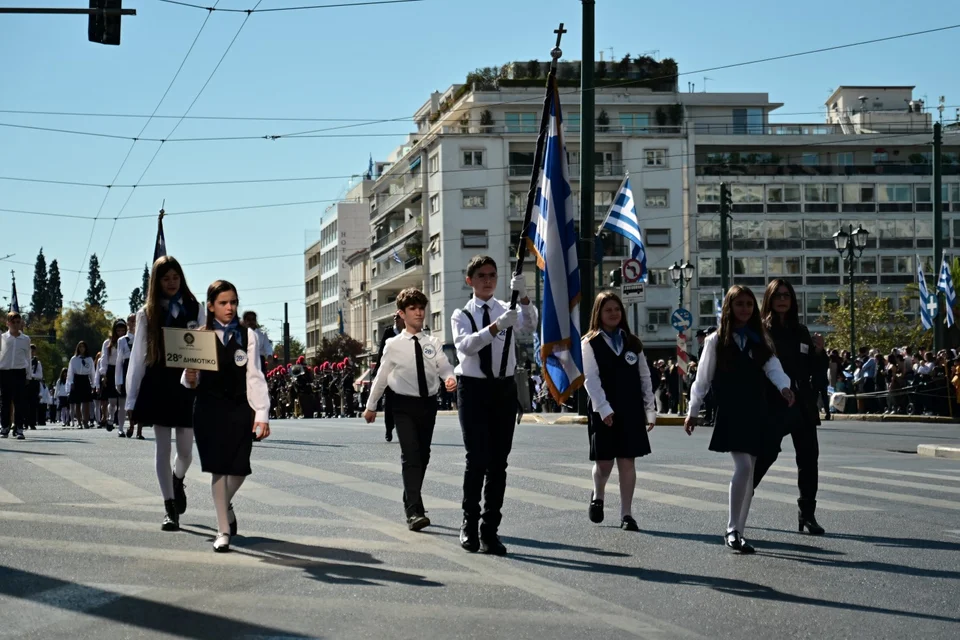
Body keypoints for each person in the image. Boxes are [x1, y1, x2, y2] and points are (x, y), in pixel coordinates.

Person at [685, 285, 795, 554]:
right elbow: (702, 379)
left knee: (751, 470)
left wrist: (784, 386)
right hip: (732, 410)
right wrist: (693, 410)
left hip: (757, 409)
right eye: (739, 304)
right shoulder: (716, 340)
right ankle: (732, 529)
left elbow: (773, 367)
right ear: (729, 308)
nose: (745, 309)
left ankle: (739, 531)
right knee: (744, 467)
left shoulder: (760, 338)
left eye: (749, 304)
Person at [451, 255, 536, 555]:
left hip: (503, 388)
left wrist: (524, 296)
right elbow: (466, 346)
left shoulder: (507, 306)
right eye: (481, 275)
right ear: (470, 280)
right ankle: (468, 524)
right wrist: (497, 327)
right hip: (473, 389)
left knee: (499, 462)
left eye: (492, 275)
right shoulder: (461, 313)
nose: (488, 280)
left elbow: (529, 325)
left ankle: (490, 529)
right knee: (476, 459)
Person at [183, 281, 271, 553]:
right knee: (218, 469)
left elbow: (255, 376)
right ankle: (223, 530)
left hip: (239, 408)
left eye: (233, 302)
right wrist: (190, 376)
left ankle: (224, 503)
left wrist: (262, 414)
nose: (230, 307)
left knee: (240, 468)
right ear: (210, 306)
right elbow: (187, 380)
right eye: (223, 303)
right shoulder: (199, 336)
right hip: (208, 409)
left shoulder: (248, 336)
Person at [364, 288, 456, 531]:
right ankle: (414, 511)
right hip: (402, 405)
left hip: (428, 404)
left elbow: (444, 366)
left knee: (423, 456)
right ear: (402, 314)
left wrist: (449, 378)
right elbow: (381, 376)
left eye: (421, 308)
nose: (418, 313)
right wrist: (371, 406)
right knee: (411, 455)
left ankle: (411, 498)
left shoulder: (432, 342)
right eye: (413, 309)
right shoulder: (393, 344)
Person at [127, 256, 204, 532]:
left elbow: (204, 350)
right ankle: (169, 508)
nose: (171, 283)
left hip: (187, 383)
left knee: (186, 452)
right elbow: (137, 358)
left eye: (175, 277)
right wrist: (131, 398)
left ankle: (177, 479)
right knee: (163, 447)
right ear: (157, 282)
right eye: (165, 278)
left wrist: (199, 378)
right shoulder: (146, 313)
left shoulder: (196, 308)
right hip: (158, 380)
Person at [751, 279, 826, 536]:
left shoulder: (801, 331)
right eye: (778, 295)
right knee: (766, 454)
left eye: (787, 295)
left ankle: (807, 514)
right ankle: (741, 500)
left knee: (808, 458)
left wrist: (819, 353)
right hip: (774, 403)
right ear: (769, 299)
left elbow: (815, 373)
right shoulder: (761, 331)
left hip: (802, 404)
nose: (783, 299)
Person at [581, 292, 656, 532]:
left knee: (627, 461)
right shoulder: (589, 343)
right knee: (604, 464)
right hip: (602, 408)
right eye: (608, 310)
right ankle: (598, 495)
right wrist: (603, 408)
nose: (613, 313)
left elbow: (644, 376)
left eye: (616, 309)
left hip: (630, 408)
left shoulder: (633, 342)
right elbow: (590, 380)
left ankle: (627, 514)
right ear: (599, 314)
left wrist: (649, 409)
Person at [0, 312, 33, 439]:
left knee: (19, 401)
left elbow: (28, 358)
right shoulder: (3, 338)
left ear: (21, 324)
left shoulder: (25, 339)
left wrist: (28, 375)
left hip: (19, 372)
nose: (15, 324)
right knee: (5, 401)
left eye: (18, 322)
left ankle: (19, 428)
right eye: (13, 322)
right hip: (5, 371)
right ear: (8, 323)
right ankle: (4, 427)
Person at [377, 311, 403, 442]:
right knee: (390, 403)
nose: (395, 319)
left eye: (398, 317)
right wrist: (378, 370)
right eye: (394, 317)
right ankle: (388, 429)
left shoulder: (408, 333)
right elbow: (381, 351)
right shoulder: (389, 332)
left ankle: (402, 429)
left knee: (403, 403)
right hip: (390, 373)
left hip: (404, 374)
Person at [115, 313, 139, 438]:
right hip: (126, 366)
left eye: (135, 321)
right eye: (130, 321)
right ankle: (120, 428)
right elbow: (119, 361)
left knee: (138, 398)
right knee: (123, 400)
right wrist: (118, 381)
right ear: (127, 323)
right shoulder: (122, 340)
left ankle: (137, 427)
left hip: (138, 366)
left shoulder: (142, 338)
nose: (133, 323)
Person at [67, 341, 96, 429]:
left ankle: (85, 421)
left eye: (83, 347)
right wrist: (71, 382)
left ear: (86, 348)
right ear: (78, 348)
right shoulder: (74, 359)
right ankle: (79, 422)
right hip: (76, 379)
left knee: (86, 402)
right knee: (77, 402)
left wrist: (93, 384)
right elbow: (70, 371)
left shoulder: (89, 359)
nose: (81, 348)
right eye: (80, 347)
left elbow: (92, 372)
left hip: (85, 379)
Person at [26, 344, 43, 430]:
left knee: (33, 404)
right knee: (25, 403)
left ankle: (32, 423)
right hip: (26, 383)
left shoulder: (37, 362)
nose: (31, 352)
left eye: (33, 351)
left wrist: (32, 375)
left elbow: (40, 375)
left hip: (34, 384)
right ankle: (25, 422)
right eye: (30, 350)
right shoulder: (24, 360)